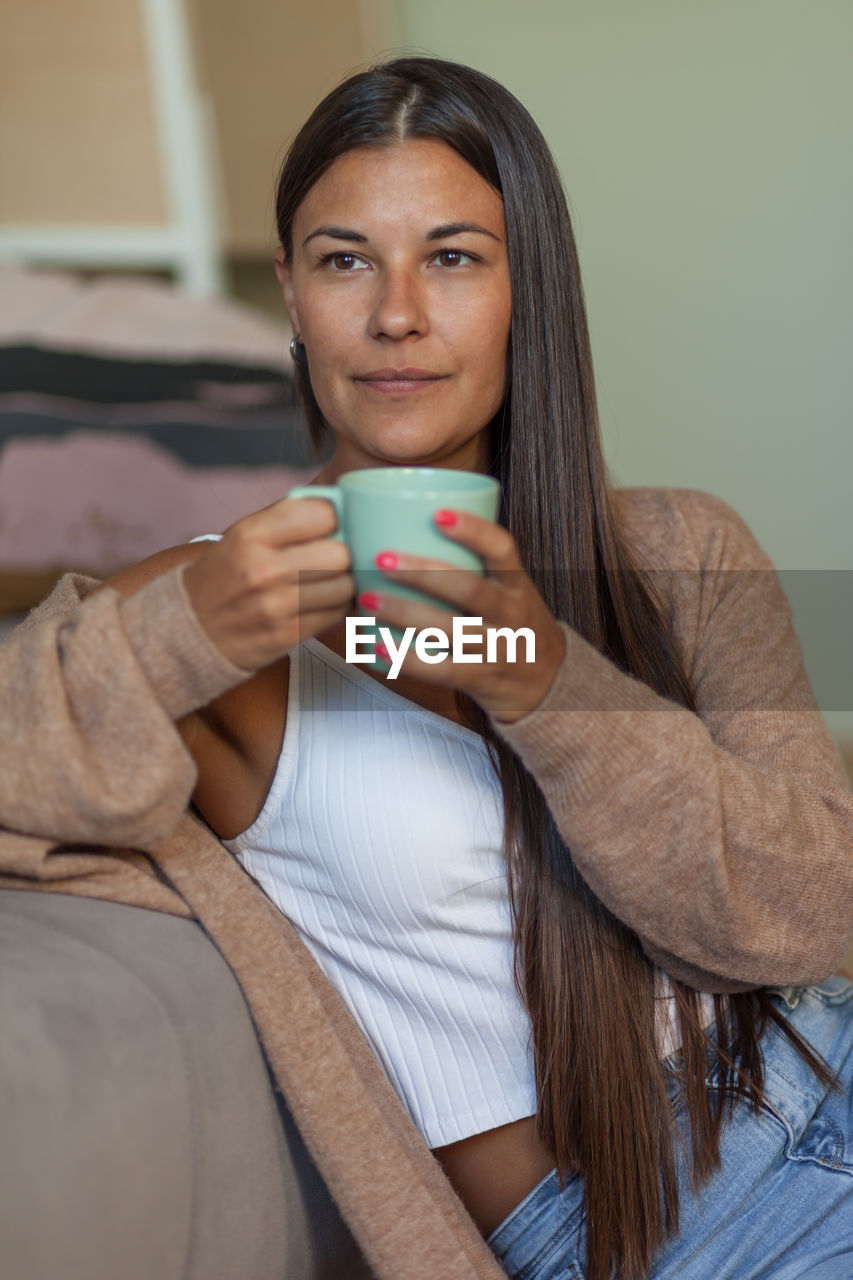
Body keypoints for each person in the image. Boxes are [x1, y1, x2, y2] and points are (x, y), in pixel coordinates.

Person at [2, 55, 853, 1280]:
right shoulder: (207, 611)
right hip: (665, 1232)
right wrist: (192, 628)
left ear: (525, 291)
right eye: (345, 259)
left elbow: (814, 905)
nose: (396, 311)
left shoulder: (679, 551)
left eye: (452, 256)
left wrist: (543, 676)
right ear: (290, 294)